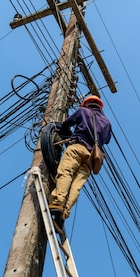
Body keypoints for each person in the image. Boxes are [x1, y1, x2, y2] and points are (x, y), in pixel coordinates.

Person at [48, 95, 112, 231]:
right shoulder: (107, 123)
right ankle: (64, 213)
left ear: (86, 104)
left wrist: (64, 132)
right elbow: (106, 140)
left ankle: (58, 203)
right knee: (76, 185)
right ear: (100, 107)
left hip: (77, 147)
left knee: (66, 172)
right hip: (92, 158)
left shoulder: (83, 111)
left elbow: (66, 124)